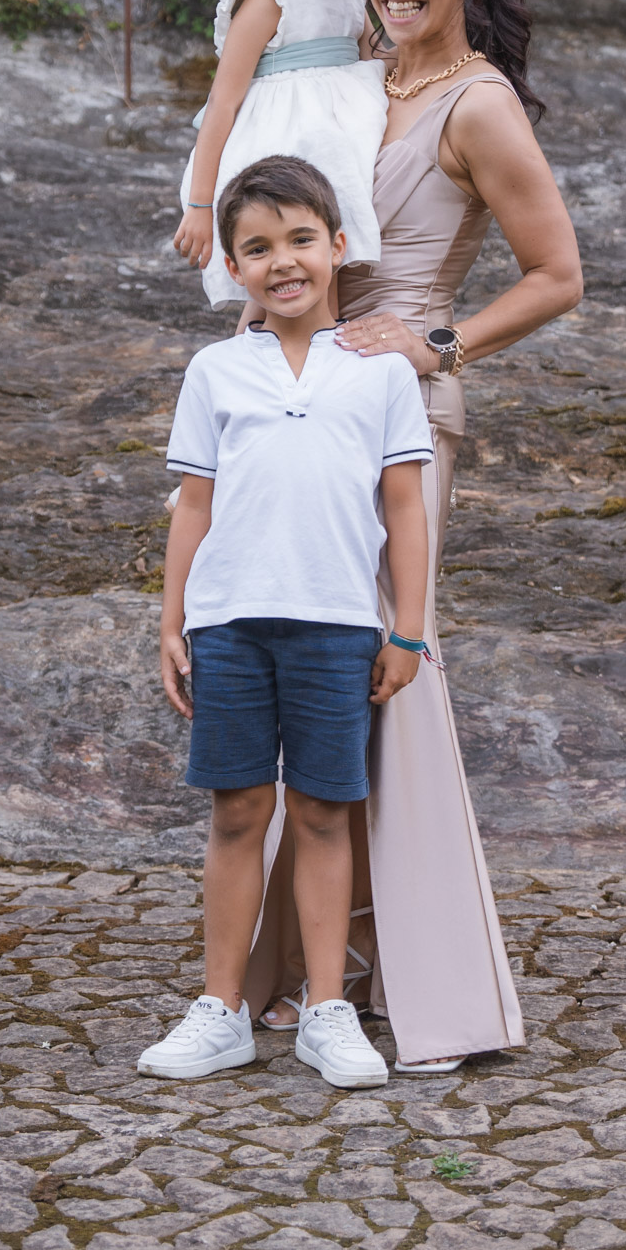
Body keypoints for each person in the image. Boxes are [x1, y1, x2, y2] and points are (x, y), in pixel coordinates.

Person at [248, 0, 584, 1072]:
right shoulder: (349, 72)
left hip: (400, 409)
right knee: (310, 664)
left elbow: (556, 275)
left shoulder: (475, 106)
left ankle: (419, 980)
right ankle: (323, 966)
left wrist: (435, 341)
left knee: (388, 668)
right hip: (300, 399)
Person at [140, 155, 434, 1089]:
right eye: (258, 248)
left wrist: (408, 631)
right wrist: (173, 621)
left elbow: (405, 510)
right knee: (238, 812)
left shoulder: (381, 374)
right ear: (233, 267)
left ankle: (326, 1009)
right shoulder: (215, 370)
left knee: (321, 814)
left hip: (337, 626)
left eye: (301, 239)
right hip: (229, 624)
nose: (283, 262)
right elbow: (194, 505)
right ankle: (221, 1009)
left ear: (339, 246)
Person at [174, 0, 387, 311]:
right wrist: (200, 204)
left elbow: (375, 69)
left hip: (340, 148)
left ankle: (321, 347)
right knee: (277, 282)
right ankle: (253, 352)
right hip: (281, 147)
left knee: (323, 274)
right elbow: (222, 101)